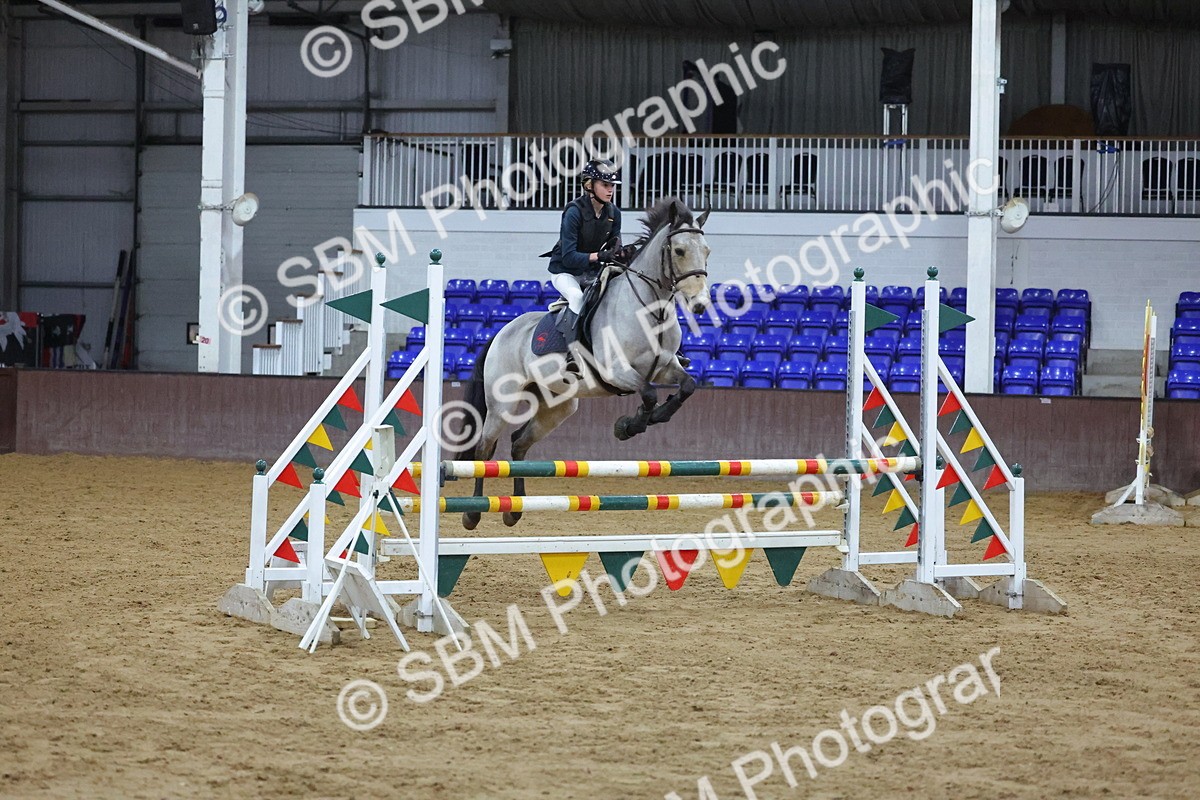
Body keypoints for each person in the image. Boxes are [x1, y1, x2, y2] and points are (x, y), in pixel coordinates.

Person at [545, 159, 625, 348]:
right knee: (576, 297)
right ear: (590, 185)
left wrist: (623, 253)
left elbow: (615, 245)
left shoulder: (614, 212)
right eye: (605, 185)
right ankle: (573, 353)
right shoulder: (574, 212)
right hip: (565, 271)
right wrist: (598, 256)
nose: (610, 190)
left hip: (591, 272)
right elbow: (569, 257)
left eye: (612, 185)